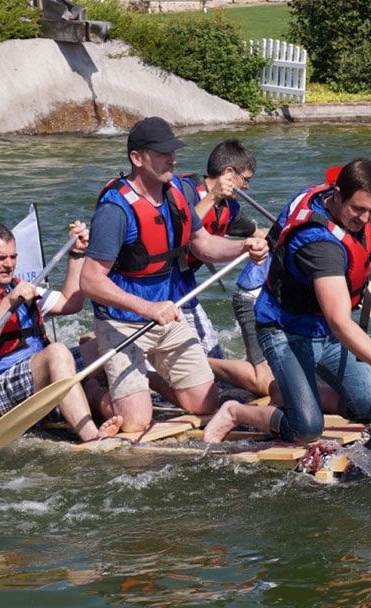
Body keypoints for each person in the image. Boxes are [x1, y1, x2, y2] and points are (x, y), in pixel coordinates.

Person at [203, 158, 371, 443]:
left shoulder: (357, 206)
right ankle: (236, 412)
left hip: (325, 332)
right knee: (306, 428)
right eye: (358, 209)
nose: (364, 219)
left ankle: (292, 391)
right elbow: (340, 322)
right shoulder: (319, 243)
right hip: (286, 332)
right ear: (336, 195)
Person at [80, 116, 269, 434]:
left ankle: (145, 375)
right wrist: (147, 308)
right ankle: (91, 385)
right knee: (136, 423)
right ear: (137, 158)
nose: (173, 158)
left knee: (207, 404)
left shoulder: (176, 196)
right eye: (163, 152)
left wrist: (242, 248)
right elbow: (90, 280)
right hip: (123, 321)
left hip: (167, 316)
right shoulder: (115, 211)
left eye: (173, 151)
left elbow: (203, 245)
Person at [0, 222, 122, 442]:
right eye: (0, 258)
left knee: (105, 340)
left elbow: (70, 303)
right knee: (57, 351)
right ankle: (93, 438)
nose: (9, 264)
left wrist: (77, 254)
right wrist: (8, 302)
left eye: (13, 257)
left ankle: (121, 407)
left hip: (36, 378)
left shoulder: (19, 287)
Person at [175, 139, 265, 359]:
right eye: (245, 179)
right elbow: (181, 229)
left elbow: (258, 232)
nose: (246, 187)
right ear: (227, 173)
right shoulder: (181, 191)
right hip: (153, 285)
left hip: (183, 286)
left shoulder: (228, 208)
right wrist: (212, 196)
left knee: (213, 355)